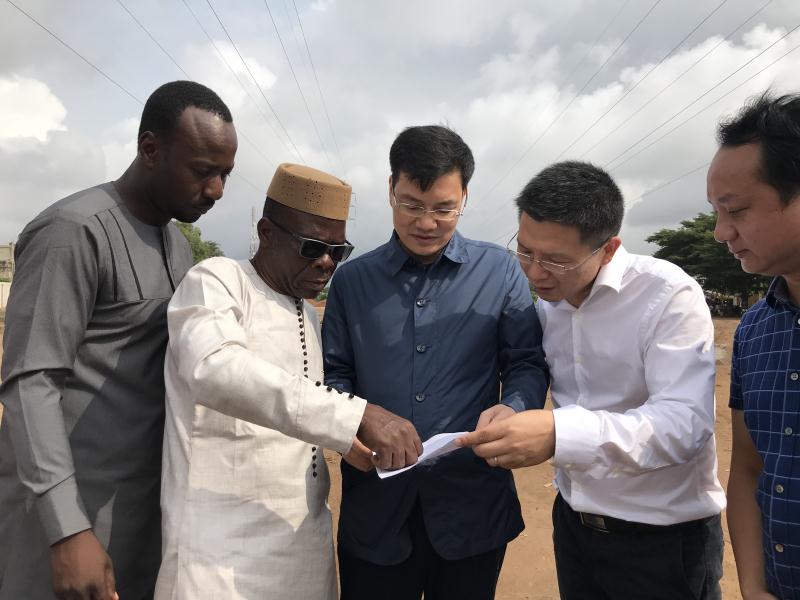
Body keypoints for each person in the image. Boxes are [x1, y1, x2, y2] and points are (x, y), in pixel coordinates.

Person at [0, 80, 237, 600]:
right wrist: (67, 529)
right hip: (65, 519)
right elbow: (30, 383)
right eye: (203, 171)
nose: (217, 189)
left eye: (225, 174)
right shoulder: (72, 232)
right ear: (150, 149)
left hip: (143, 515)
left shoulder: (178, 246)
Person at [458, 161, 727, 599]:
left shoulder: (666, 295)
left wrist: (559, 433)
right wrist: (514, 408)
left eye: (556, 260)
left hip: (661, 541)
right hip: (575, 527)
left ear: (608, 248)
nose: (535, 273)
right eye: (524, 251)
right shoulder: (547, 307)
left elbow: (684, 424)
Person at [155, 163, 422, 599]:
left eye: (338, 251)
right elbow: (215, 369)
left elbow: (295, 415)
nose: (325, 262)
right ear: (267, 232)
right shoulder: (217, 282)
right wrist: (354, 415)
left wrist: (345, 442)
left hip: (303, 544)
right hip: (218, 553)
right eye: (312, 247)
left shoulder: (307, 314)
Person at [322, 125, 549, 600]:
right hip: (376, 509)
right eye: (411, 205)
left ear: (464, 197)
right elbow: (335, 373)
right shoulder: (352, 281)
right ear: (391, 189)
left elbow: (525, 362)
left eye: (444, 209)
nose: (426, 223)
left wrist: (514, 407)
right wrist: (353, 427)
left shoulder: (500, 271)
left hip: (472, 504)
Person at [708, 92, 800, 600]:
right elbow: (748, 468)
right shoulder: (754, 330)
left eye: (736, 210)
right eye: (716, 212)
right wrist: (753, 585)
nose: (721, 232)